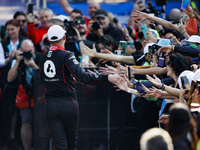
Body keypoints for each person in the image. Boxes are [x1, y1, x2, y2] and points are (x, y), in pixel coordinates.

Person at [39, 25, 119, 149]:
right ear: (64, 37)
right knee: (71, 145)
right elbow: (83, 77)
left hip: (50, 104)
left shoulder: (43, 57)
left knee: (59, 145)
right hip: (68, 102)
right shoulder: (67, 55)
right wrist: (107, 78)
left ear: (49, 40)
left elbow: (45, 80)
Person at [7, 39, 42, 150]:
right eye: (25, 51)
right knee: (26, 123)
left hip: (40, 95)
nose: (28, 54)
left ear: (34, 50)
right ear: (21, 51)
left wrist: (34, 66)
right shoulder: (19, 59)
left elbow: (46, 78)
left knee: (42, 124)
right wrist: (17, 61)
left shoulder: (41, 58)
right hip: (25, 96)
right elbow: (10, 78)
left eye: (30, 51)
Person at [0, 19, 26, 149]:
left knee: (22, 112)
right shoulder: (3, 43)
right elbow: (1, 62)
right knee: (7, 111)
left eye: (13, 29)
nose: (10, 32)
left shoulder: (25, 41)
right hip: (8, 82)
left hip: (24, 80)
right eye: (8, 30)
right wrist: (10, 57)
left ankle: (18, 139)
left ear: (18, 29)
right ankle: (7, 138)